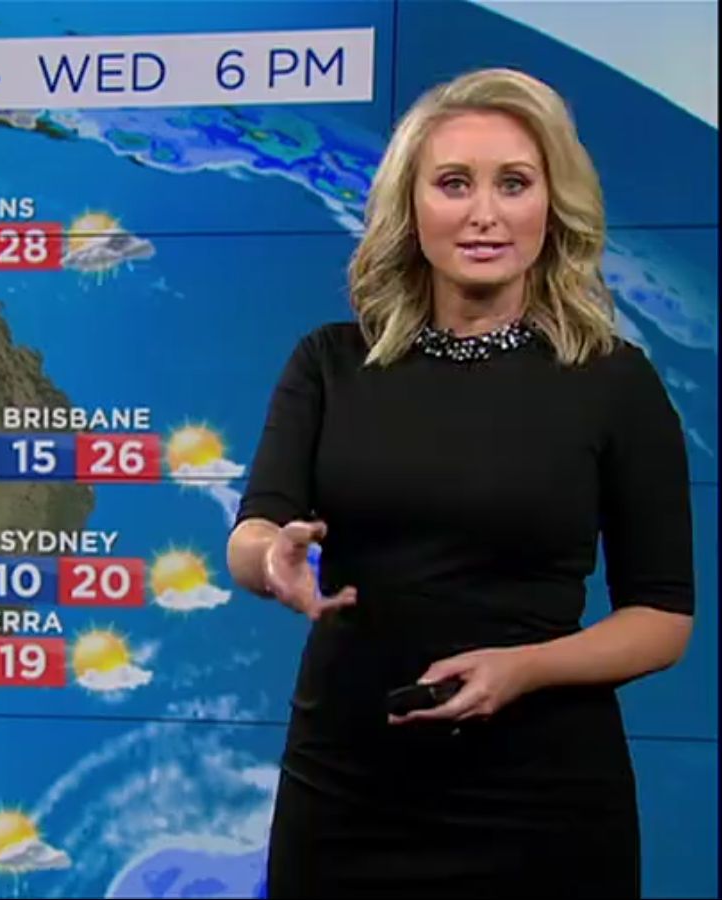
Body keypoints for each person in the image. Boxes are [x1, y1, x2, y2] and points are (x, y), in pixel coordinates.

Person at [225, 67, 696, 898]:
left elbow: (661, 619)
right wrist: (271, 561)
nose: (484, 213)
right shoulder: (332, 363)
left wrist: (525, 670)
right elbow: (256, 530)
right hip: (347, 789)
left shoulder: (614, 382)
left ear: (552, 205)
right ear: (410, 207)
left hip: (540, 803)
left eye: (513, 183)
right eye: (453, 183)